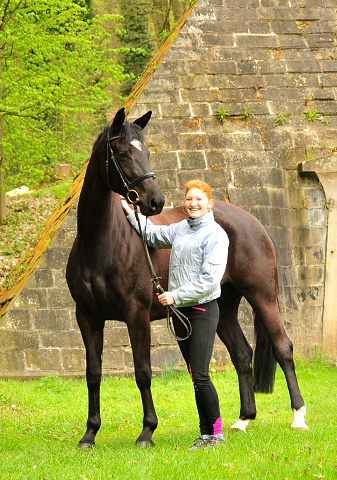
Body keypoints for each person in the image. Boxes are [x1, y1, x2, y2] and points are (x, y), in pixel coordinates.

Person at [120, 179, 229, 450]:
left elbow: (209, 280)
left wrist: (174, 296)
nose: (193, 204)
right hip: (181, 313)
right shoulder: (181, 228)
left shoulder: (216, 235)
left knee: (201, 374)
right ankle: (205, 435)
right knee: (194, 375)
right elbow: (154, 235)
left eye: (199, 200)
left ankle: (216, 434)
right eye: (189, 199)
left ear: (209, 204)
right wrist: (131, 213)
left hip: (202, 309)